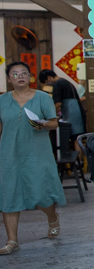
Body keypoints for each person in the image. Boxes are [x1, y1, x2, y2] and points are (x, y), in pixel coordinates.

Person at [0, 62, 65, 255]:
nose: (20, 76)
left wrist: (42, 124)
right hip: (9, 154)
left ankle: (52, 217)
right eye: (15, 74)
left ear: (30, 76)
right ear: (9, 78)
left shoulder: (43, 97)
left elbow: (54, 124)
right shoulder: (2, 100)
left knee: (41, 195)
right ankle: (12, 241)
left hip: (37, 153)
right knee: (9, 196)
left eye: (24, 73)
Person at [39, 69, 86, 145]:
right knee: (77, 138)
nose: (48, 84)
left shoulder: (58, 84)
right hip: (78, 112)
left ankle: (77, 156)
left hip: (72, 114)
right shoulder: (65, 81)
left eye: (47, 82)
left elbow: (58, 104)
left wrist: (50, 115)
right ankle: (79, 156)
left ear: (49, 78)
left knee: (75, 138)